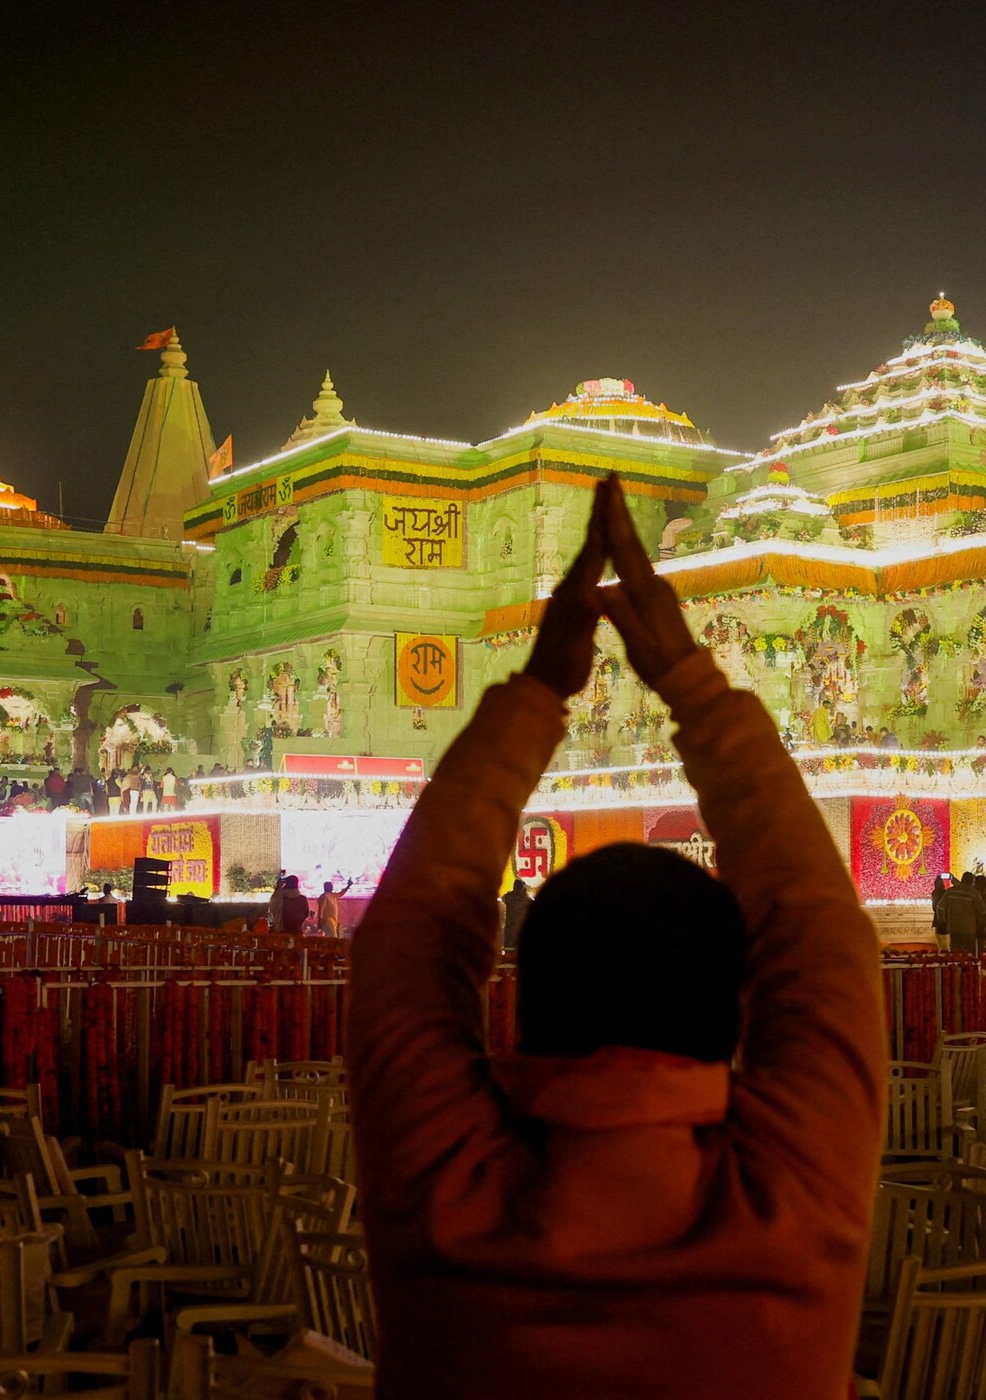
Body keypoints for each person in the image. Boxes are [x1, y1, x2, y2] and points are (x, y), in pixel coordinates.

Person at [348, 473, 883, 1399]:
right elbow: (823, 927)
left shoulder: (451, 1194)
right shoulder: (794, 1190)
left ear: (521, 1007)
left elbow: (409, 936)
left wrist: (543, 685)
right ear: (737, 1010)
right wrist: (690, 676)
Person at [499, 876, 532, 953]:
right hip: (520, 926)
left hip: (511, 925)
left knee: (510, 947)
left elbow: (502, 899)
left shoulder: (509, 896)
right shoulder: (527, 899)